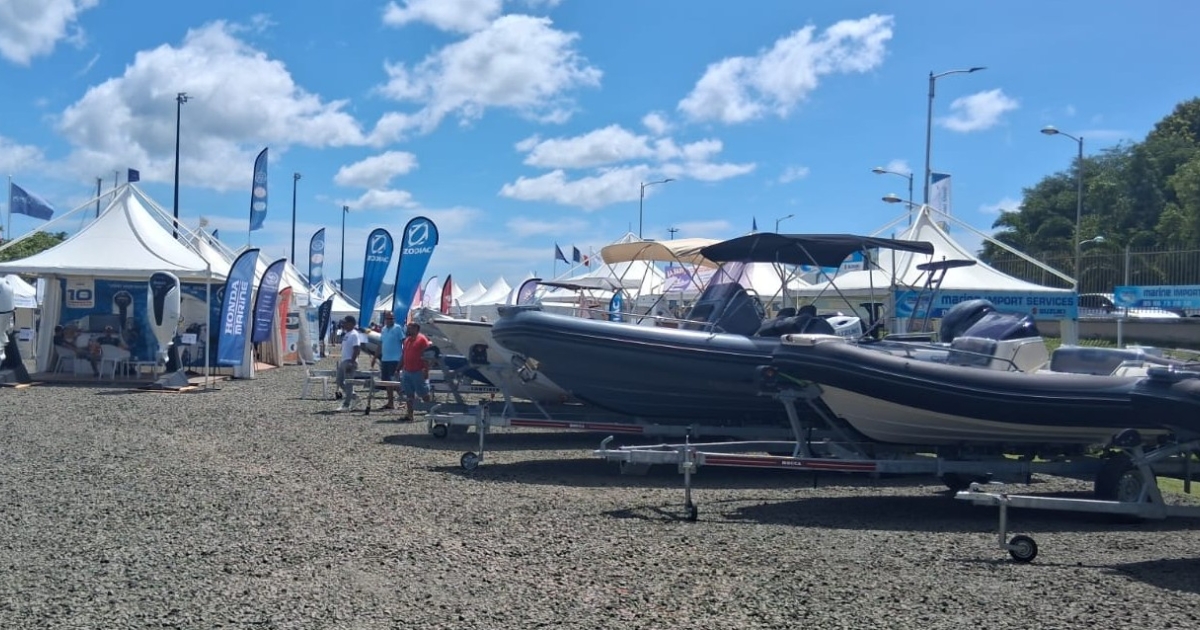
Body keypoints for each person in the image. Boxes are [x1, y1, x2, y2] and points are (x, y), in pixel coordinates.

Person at [399, 322, 431, 422]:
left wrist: (426, 369)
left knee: (424, 393)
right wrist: (398, 368)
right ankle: (410, 415)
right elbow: (404, 355)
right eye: (408, 328)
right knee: (409, 394)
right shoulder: (407, 340)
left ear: (416, 329)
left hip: (418, 371)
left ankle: (430, 411)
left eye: (411, 328)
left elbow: (427, 356)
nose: (408, 330)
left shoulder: (422, 340)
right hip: (407, 370)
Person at [334, 315, 365, 411]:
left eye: (345, 322)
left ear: (351, 323)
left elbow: (357, 349)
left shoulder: (354, 334)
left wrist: (352, 362)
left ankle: (346, 405)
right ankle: (354, 397)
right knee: (339, 381)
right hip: (344, 360)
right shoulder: (347, 334)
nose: (343, 324)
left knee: (348, 383)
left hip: (350, 361)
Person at [376, 312, 404, 411]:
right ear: (385, 319)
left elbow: (403, 341)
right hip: (385, 359)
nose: (390, 320)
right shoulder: (383, 329)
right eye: (388, 318)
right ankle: (390, 402)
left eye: (392, 318)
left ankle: (403, 400)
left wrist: (403, 357)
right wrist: (375, 357)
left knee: (395, 382)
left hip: (395, 359)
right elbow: (380, 343)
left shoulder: (397, 328)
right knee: (387, 382)